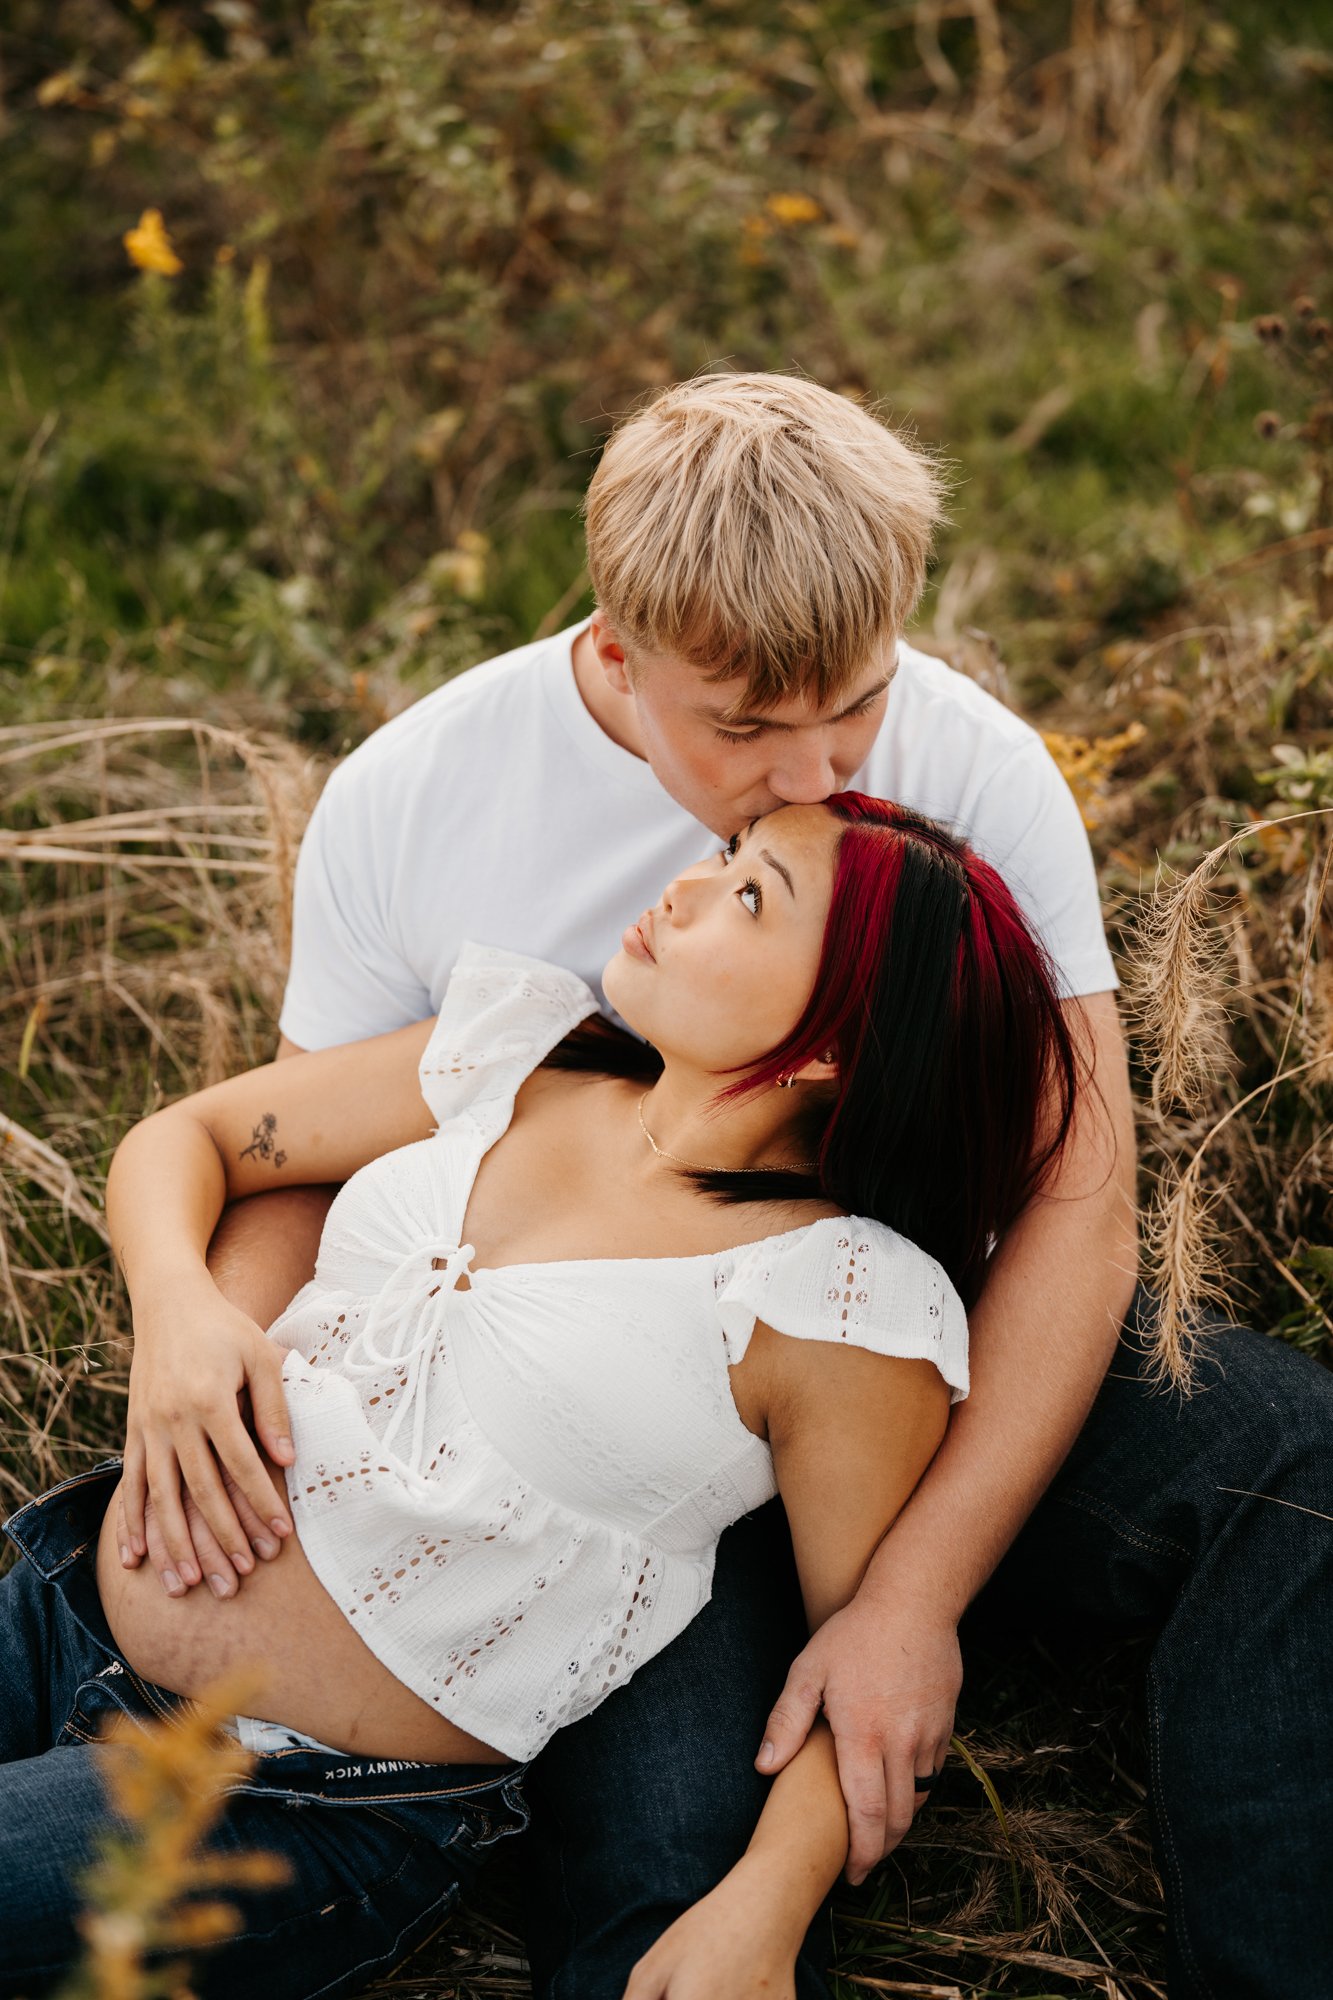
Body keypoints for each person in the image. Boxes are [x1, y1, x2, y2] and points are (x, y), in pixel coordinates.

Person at [105, 374, 1333, 1997]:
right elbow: (294, 1155)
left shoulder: (974, 768)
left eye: (857, 704)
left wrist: (908, 1595)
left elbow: (1076, 1202)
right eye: (747, 726)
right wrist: (203, 1351)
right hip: (571, 1429)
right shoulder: (414, 801)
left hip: (895, 1367)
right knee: (662, 1904)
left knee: (1286, 1461)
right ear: (616, 656)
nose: (812, 772)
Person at [1, 795, 1078, 1997]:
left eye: (752, 894)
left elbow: (860, 1661)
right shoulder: (521, 1056)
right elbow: (191, 1138)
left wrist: (767, 1902)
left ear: (835, 1044)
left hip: (277, 1794)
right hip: (59, 1592)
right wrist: (181, 1311)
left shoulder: (834, 1300)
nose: (686, 885)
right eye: (725, 856)